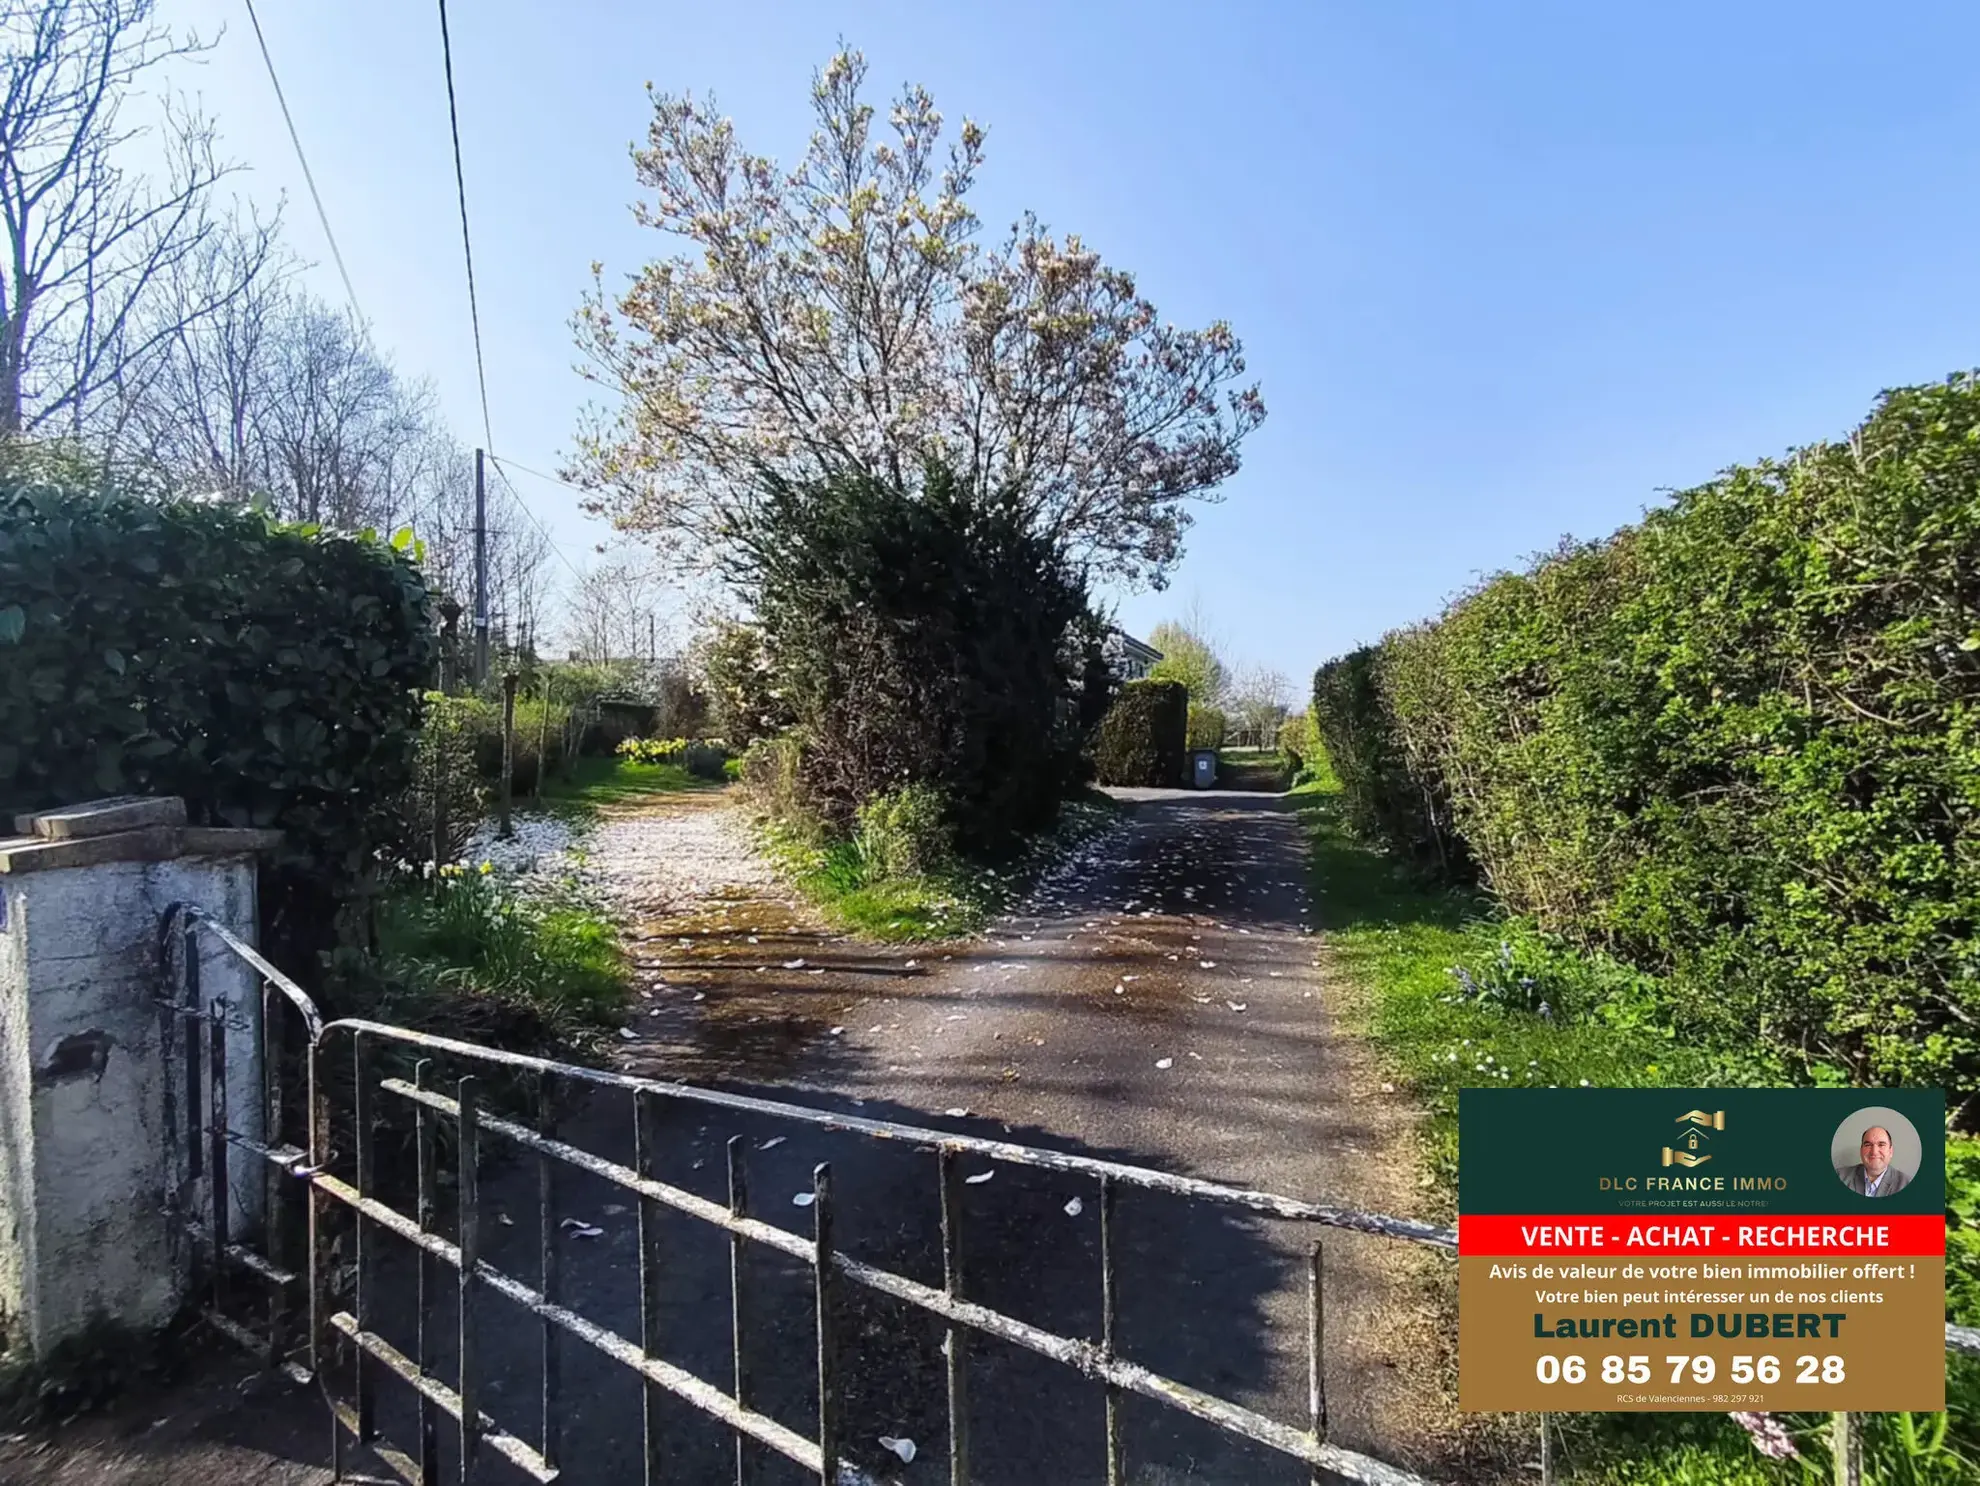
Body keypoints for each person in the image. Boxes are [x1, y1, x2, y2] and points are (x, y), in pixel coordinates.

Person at [1836, 1125, 1908, 1197]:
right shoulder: (1840, 1176)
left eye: (1881, 1145)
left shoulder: (1905, 1183)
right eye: (1868, 1145)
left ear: (1891, 1151)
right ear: (1861, 1150)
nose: (1874, 1152)